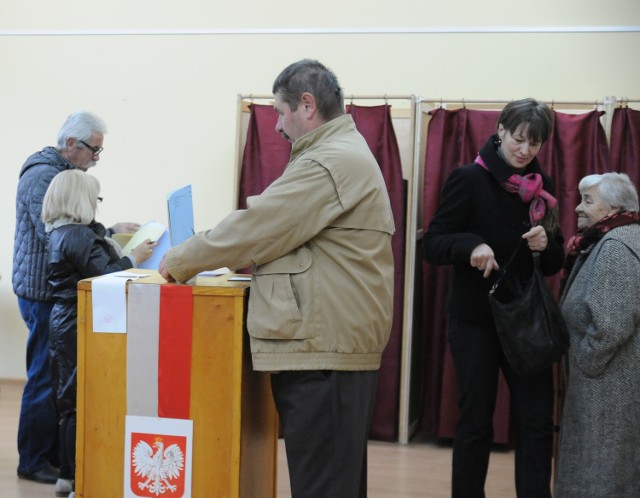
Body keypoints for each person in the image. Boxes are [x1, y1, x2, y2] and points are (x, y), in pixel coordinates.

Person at [159, 59, 395, 497]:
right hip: (331, 346)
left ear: (307, 105)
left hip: (326, 351)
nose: (277, 128)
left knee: (323, 486)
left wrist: (180, 259)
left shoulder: (328, 161)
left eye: (280, 114)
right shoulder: (340, 152)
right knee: (335, 483)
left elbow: (259, 226)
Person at [423, 98, 565, 498]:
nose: (524, 151)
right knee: (475, 422)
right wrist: (471, 246)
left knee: (537, 422)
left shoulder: (543, 187)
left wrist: (545, 245)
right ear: (500, 129)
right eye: (519, 139)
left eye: (534, 145)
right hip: (476, 321)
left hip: (526, 322)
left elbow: (554, 263)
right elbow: (433, 243)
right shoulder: (468, 178)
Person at [12, 111, 139, 485]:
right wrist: (109, 250)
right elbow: (58, 234)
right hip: (42, 293)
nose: (96, 158)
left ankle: (53, 454)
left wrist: (110, 232)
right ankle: (33, 460)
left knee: (56, 377)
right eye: (93, 150)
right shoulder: (42, 177)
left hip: (51, 290)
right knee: (44, 378)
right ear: (71, 144)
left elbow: (72, 228)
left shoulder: (58, 174)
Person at [41, 169, 155, 498]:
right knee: (77, 402)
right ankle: (78, 479)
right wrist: (135, 258)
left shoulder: (68, 231)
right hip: (76, 321)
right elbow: (104, 276)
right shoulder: (76, 235)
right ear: (80, 199)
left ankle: (69, 476)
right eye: (95, 198)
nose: (96, 204)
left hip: (69, 320)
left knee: (70, 400)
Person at [555, 173, 640, 498]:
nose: (578, 208)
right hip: (608, 386)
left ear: (613, 208)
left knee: (601, 474)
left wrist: (587, 363)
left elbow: (612, 326)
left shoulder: (617, 247)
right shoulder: (617, 238)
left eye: (588, 201)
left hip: (606, 389)